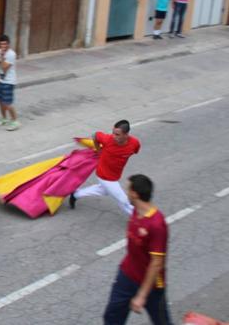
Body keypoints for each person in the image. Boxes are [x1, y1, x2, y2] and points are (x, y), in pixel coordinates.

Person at [103, 174, 172, 325]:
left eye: (128, 189)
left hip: (152, 285)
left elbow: (156, 263)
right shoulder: (136, 211)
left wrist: (141, 295)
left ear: (135, 194)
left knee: (162, 322)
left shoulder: (156, 224)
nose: (126, 192)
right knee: (112, 317)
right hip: (126, 275)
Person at [69, 120, 141, 216]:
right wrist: (99, 150)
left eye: (117, 134)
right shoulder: (108, 139)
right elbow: (95, 135)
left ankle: (75, 195)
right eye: (113, 133)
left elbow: (134, 150)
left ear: (126, 134)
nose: (114, 136)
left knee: (103, 190)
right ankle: (139, 218)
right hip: (104, 175)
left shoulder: (134, 143)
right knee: (123, 200)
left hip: (116, 175)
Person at [0, 35, 19, 131]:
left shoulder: (11, 54)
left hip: (9, 81)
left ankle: (15, 121)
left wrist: (3, 56)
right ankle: (4, 119)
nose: (2, 46)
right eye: (1, 44)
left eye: (4, 44)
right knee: (0, 100)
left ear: (8, 44)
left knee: (7, 103)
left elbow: (4, 68)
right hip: (1, 80)